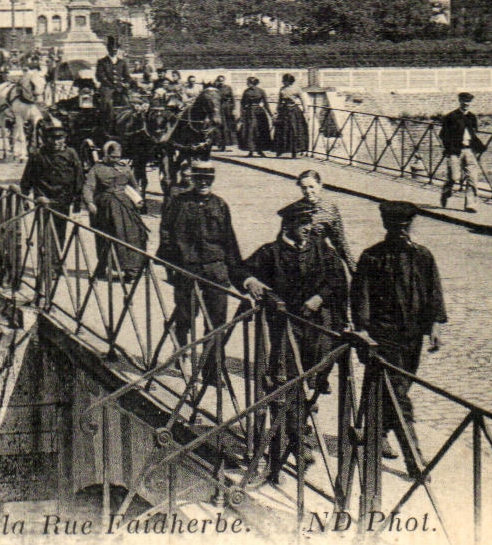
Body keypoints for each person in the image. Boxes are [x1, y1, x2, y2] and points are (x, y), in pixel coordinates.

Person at [241, 196, 350, 478]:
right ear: (288, 226)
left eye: (309, 223)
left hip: (318, 328)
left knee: (315, 378)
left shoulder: (320, 249)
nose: (308, 228)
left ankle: (299, 425)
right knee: (291, 381)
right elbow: (242, 268)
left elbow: (338, 279)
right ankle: (298, 438)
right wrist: (251, 281)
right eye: (302, 223)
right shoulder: (272, 253)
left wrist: (319, 297)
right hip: (286, 329)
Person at [351, 200, 447, 467]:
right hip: (384, 336)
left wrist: (435, 327)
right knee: (398, 394)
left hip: (412, 336)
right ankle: (414, 458)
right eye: (397, 227)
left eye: (406, 226)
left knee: (397, 386)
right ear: (386, 226)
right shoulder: (372, 257)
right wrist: (362, 333)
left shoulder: (422, 256)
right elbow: (361, 298)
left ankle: (376, 432)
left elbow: (433, 293)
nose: (402, 232)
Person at [156, 162, 247, 384]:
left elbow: (229, 240)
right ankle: (180, 346)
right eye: (199, 179)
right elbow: (166, 233)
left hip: (216, 270)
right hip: (188, 269)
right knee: (187, 314)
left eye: (208, 180)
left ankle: (212, 371)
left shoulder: (220, 205)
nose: (204, 184)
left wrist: (237, 272)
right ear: (192, 180)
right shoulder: (179, 203)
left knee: (217, 321)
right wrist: (172, 266)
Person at [18, 120, 86, 307]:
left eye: (60, 138)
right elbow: (28, 178)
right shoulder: (38, 156)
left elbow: (79, 179)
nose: (57, 142)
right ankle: (46, 267)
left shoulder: (71, 154)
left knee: (61, 236)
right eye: (53, 139)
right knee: (45, 234)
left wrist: (78, 205)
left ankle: (55, 265)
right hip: (44, 202)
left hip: (63, 201)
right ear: (46, 139)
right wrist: (25, 196)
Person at [84, 139, 148, 281]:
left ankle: (132, 268)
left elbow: (135, 185)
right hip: (106, 206)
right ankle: (104, 266)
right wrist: (89, 202)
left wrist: (138, 199)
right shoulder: (97, 169)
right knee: (109, 235)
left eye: (118, 157)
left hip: (126, 205)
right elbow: (89, 186)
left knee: (134, 233)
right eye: (113, 157)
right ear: (106, 155)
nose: (115, 159)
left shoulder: (125, 168)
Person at [277, 170, 354, 272]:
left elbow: (339, 241)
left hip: (322, 260)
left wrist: (353, 268)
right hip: (297, 261)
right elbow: (282, 240)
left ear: (320, 186)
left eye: (311, 187)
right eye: (304, 188)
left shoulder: (330, 210)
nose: (308, 191)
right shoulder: (292, 210)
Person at [438, 92, 485, 212]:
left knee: (472, 178)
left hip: (469, 151)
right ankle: (446, 190)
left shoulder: (472, 117)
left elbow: (474, 133)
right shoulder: (451, 116)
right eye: (463, 101)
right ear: (459, 101)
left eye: (468, 101)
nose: (466, 104)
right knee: (454, 177)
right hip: (455, 151)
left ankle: (470, 204)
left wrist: (477, 148)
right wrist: (449, 149)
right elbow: (443, 135)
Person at [272, 74, 309, 157]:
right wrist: (276, 111)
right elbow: (279, 101)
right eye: (283, 81)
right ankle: (280, 149)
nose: (283, 82)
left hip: (294, 111)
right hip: (284, 111)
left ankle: (294, 151)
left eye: (284, 81)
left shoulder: (297, 89)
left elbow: (303, 101)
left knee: (294, 130)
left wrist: (306, 112)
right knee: (282, 130)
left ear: (289, 81)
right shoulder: (282, 89)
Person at [238, 77, 274, 156]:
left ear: (253, 83)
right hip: (250, 112)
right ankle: (251, 150)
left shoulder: (261, 91)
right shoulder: (246, 92)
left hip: (259, 113)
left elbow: (266, 104)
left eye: (249, 82)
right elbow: (242, 104)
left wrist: (271, 115)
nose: (247, 84)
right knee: (250, 131)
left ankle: (260, 150)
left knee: (260, 131)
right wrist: (241, 115)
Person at [214, 76, 236, 152]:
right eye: (219, 81)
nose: (221, 82)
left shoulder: (228, 88)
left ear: (224, 81)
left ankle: (228, 144)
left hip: (227, 108)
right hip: (219, 108)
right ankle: (220, 145)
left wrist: (234, 109)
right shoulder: (215, 88)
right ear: (217, 81)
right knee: (219, 126)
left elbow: (232, 98)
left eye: (222, 81)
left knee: (228, 126)